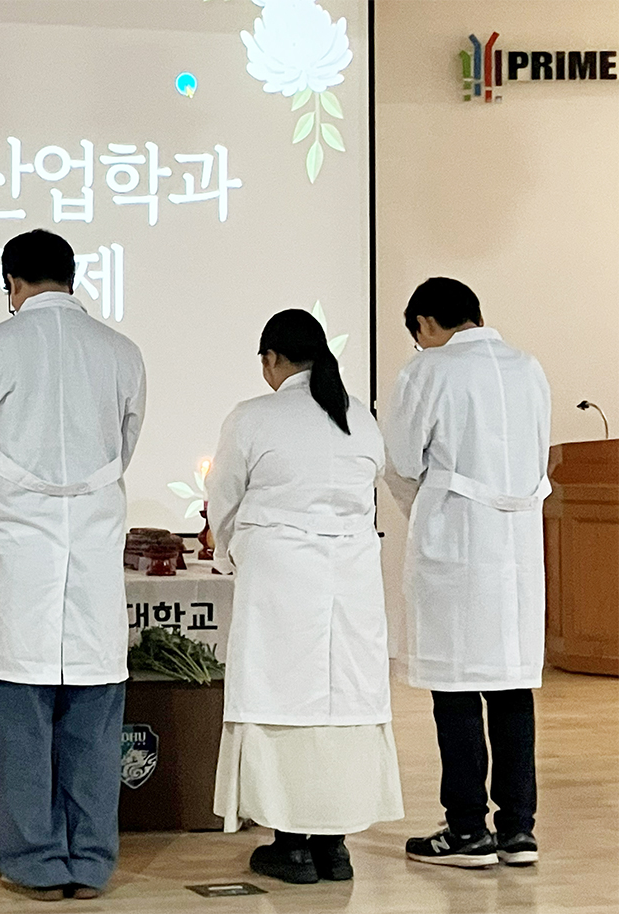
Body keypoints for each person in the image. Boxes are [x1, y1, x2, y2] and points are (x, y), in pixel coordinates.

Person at [0, 229, 146, 901]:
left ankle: (33, 861)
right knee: (94, 716)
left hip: (18, 553)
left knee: (18, 718)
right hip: (93, 547)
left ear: (11, 283)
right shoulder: (121, 352)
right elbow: (124, 443)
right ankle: (90, 862)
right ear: (72, 276)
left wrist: (16, 498)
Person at [207, 309, 404, 885]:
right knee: (342, 705)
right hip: (353, 578)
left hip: (281, 575)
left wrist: (230, 552)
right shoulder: (358, 417)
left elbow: (223, 499)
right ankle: (334, 848)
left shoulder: (253, 416)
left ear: (272, 359)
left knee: (282, 703)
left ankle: (291, 846)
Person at [385, 278, 551, 869]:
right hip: (517, 546)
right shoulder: (528, 367)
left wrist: (429, 509)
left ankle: (465, 829)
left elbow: (401, 462)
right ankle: (518, 830)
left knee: (454, 687)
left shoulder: (428, 371)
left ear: (426, 324)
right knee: (511, 686)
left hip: (455, 543)